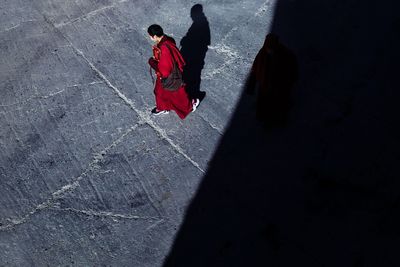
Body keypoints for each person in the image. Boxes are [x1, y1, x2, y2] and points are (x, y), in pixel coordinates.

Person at [147, 24, 199, 119]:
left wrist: (152, 62)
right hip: (170, 73)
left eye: (150, 36)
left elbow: (165, 71)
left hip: (170, 77)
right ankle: (162, 107)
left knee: (178, 94)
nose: (150, 38)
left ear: (154, 36)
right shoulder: (168, 39)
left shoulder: (164, 49)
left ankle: (191, 104)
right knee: (159, 92)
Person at [246, 33, 298, 127]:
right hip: (265, 86)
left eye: (270, 47)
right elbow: (255, 69)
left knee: (274, 107)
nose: (268, 50)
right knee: (265, 106)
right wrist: (251, 85)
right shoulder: (262, 53)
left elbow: (292, 71)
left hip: (277, 88)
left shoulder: (285, 55)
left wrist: (288, 85)